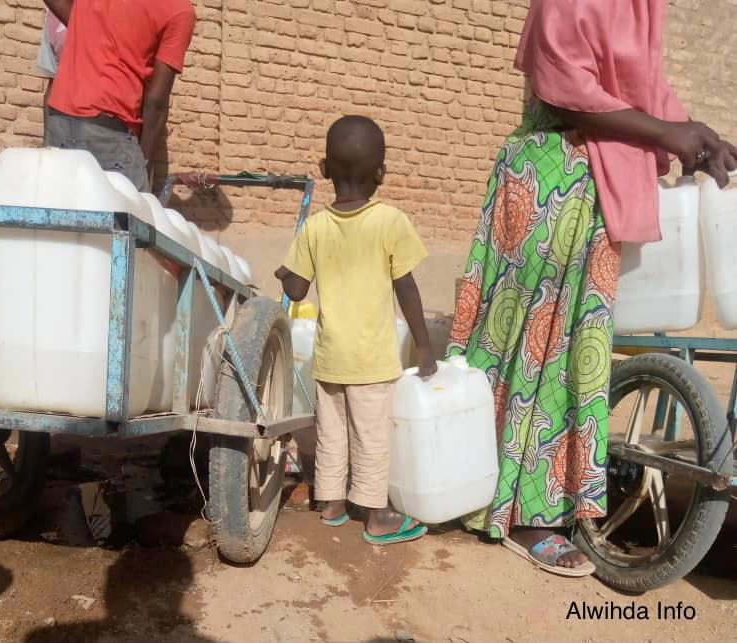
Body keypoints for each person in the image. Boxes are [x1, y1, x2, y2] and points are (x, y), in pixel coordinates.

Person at [447, 0, 737, 577]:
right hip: (553, 178)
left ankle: (498, 489)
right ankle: (519, 510)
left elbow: (641, 86)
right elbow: (561, 89)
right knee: (531, 347)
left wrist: (696, 136)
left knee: (575, 349)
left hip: (597, 187)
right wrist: (667, 132)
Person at [276, 116, 437, 545]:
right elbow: (407, 287)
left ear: (324, 170)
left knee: (331, 431)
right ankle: (376, 515)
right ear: (381, 173)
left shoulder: (315, 227)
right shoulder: (390, 222)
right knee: (370, 436)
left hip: (330, 358)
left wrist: (283, 273)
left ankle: (330, 502)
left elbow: (294, 290)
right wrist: (423, 346)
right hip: (371, 359)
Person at [42, 0, 196, 191]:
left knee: (58, 212)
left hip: (59, 120)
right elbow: (156, 102)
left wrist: (81, 27)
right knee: (131, 217)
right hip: (111, 134)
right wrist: (144, 164)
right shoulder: (179, 10)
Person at [35, 10, 67, 129]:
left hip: (106, 124)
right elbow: (53, 84)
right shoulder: (53, 19)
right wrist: (48, 140)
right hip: (65, 123)